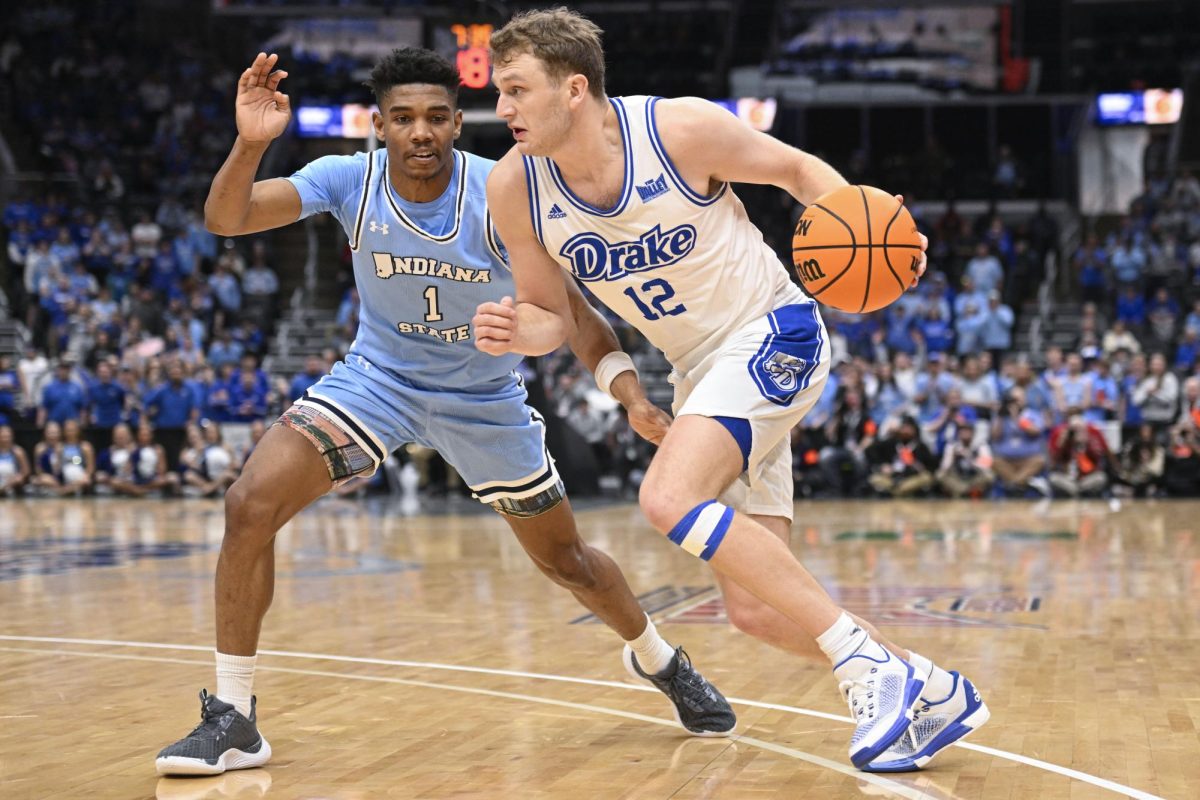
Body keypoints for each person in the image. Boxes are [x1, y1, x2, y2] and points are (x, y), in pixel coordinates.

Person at [156, 48, 733, 777]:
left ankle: (657, 657)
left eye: (435, 117)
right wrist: (250, 144)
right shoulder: (348, 178)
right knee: (249, 504)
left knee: (570, 563)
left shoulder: (503, 191)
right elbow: (226, 217)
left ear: (458, 124)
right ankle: (234, 718)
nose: (419, 131)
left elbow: (571, 314)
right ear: (380, 125)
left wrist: (628, 394)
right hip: (378, 380)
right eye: (403, 118)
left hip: (483, 399)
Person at [477, 8, 988, 772]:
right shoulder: (515, 188)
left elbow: (796, 169)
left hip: (773, 330)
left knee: (667, 498)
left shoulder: (678, 130)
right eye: (500, 92)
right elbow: (557, 317)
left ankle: (871, 671)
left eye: (517, 90)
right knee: (754, 608)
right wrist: (535, 339)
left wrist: (862, 222)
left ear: (574, 87)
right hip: (699, 374)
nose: (502, 109)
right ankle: (925, 682)